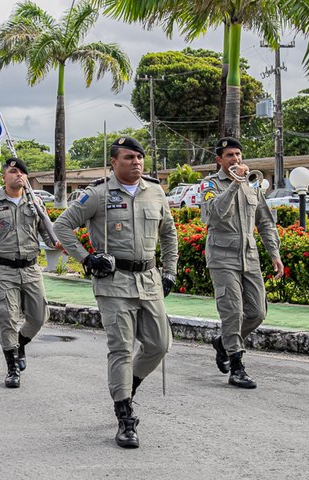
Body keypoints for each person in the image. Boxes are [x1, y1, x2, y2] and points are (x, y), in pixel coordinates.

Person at [54, 136, 178, 449]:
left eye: (139, 157)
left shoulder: (156, 192)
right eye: (128, 157)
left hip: (149, 280)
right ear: (114, 162)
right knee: (121, 348)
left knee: (159, 345)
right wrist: (86, 258)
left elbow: (169, 234)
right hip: (113, 283)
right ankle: (125, 415)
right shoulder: (96, 194)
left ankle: (129, 384)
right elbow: (62, 226)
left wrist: (170, 272)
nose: (136, 162)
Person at [200, 137, 284, 389]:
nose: (235, 159)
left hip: (249, 255)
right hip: (222, 256)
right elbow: (214, 213)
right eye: (229, 155)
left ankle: (223, 342)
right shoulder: (209, 184)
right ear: (219, 160)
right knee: (232, 311)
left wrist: (274, 254)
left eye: (238, 154)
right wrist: (235, 183)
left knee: (258, 312)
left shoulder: (253, 185)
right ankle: (236, 367)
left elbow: (265, 222)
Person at [0, 157, 60, 390]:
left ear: (26, 177)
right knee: (7, 317)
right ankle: (12, 368)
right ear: (4, 176)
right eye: (12, 171)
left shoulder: (35, 204)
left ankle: (18, 346)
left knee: (39, 317)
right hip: (3, 269)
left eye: (21, 172)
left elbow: (48, 233)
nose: (18, 175)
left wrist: (57, 242)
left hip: (31, 268)